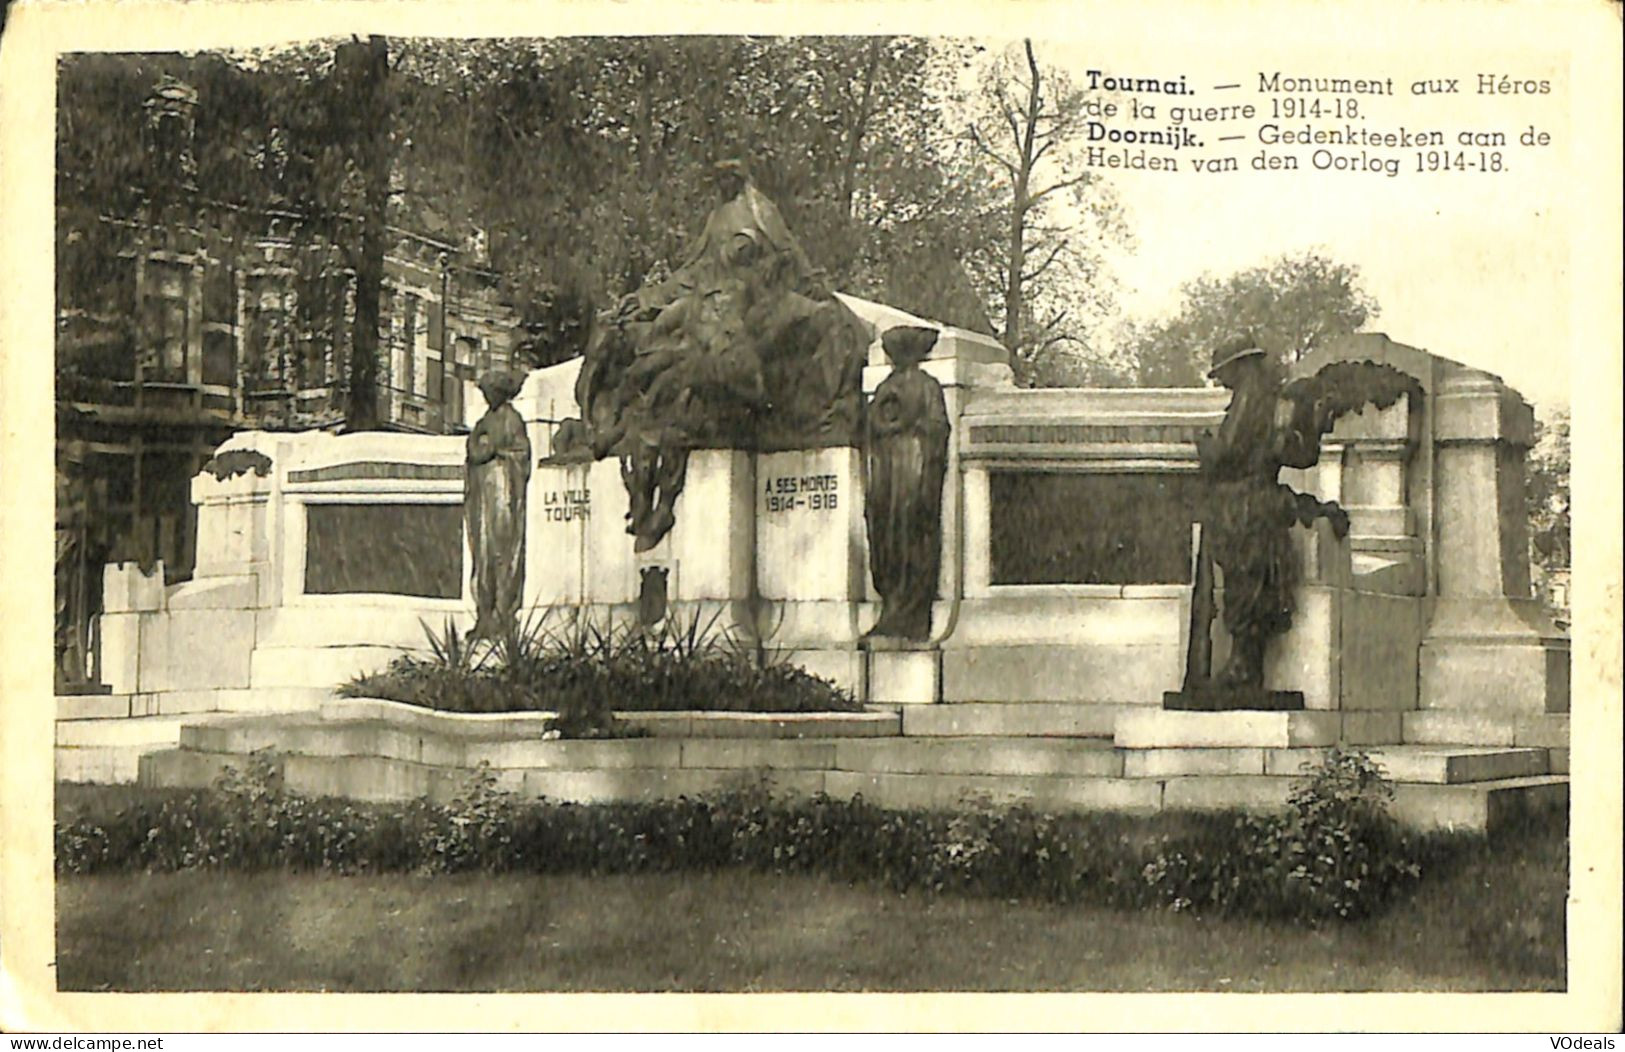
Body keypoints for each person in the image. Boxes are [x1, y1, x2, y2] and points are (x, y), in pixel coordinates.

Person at [863, 326, 950, 642]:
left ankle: (910, 614)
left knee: (910, 536)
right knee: (886, 538)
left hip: (913, 471)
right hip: (886, 474)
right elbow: (872, 425)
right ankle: (892, 609)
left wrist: (911, 431)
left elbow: (938, 428)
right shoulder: (886, 386)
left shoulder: (929, 387)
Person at [465, 371, 531, 640]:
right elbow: (472, 452)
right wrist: (479, 451)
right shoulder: (483, 421)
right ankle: (484, 613)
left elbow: (522, 454)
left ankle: (504, 614)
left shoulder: (512, 419)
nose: (485, 396)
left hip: (504, 492)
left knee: (503, 551)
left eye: (489, 391)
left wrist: (496, 452)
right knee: (482, 554)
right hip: (482, 493)